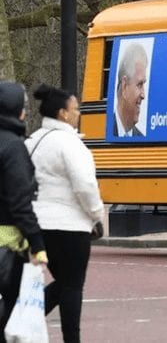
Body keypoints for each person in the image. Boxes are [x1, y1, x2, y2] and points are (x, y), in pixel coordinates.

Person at [25, 84, 105, 342]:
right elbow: (85, 185)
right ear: (63, 113)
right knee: (72, 286)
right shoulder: (71, 144)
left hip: (38, 225)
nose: (78, 113)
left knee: (63, 283)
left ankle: (22, 320)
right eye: (75, 109)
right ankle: (72, 338)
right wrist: (96, 214)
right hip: (70, 226)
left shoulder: (32, 142)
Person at [0, 81, 48, 334]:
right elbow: (19, 202)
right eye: (23, 107)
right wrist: (37, 243)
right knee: (11, 312)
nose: (26, 112)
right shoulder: (13, 147)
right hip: (7, 244)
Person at [114, 42, 148, 137]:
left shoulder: (141, 137)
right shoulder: (103, 132)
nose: (143, 95)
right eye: (139, 84)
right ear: (124, 86)